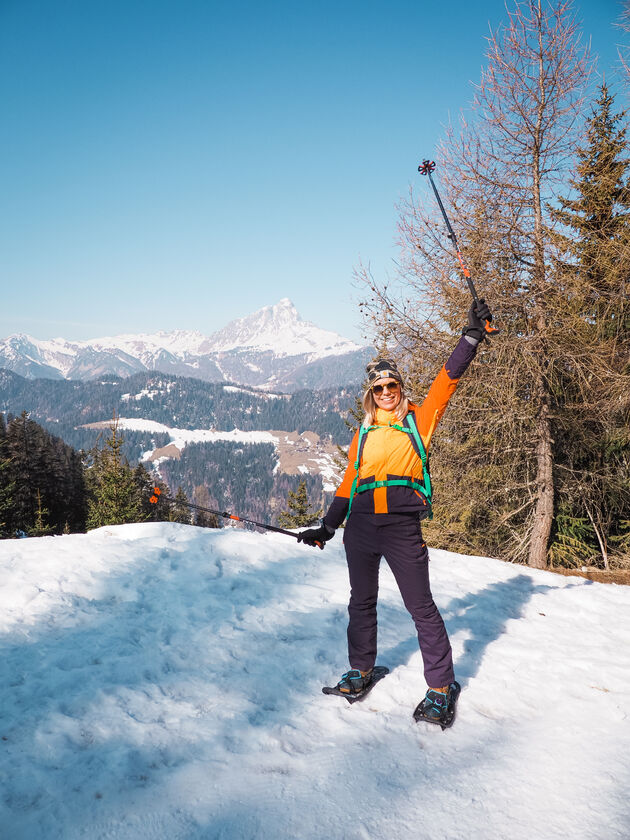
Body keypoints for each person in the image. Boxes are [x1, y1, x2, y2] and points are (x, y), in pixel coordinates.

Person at [298, 299, 493, 724]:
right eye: (379, 389)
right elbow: (350, 481)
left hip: (402, 527)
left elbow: (447, 381)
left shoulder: (418, 422)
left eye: (392, 387)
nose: (387, 394)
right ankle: (360, 669)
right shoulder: (363, 433)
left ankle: (442, 687)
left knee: (420, 605)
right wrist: (328, 526)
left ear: (400, 390)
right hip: (361, 528)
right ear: (370, 395)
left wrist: (470, 338)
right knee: (360, 602)